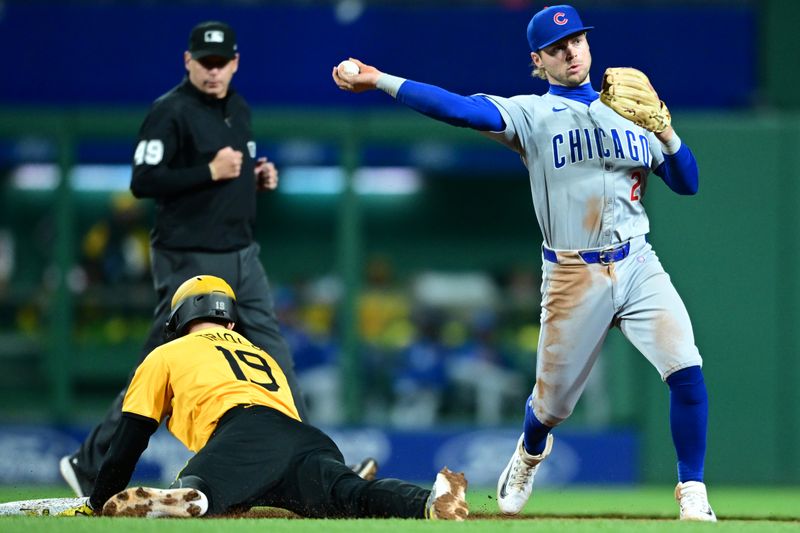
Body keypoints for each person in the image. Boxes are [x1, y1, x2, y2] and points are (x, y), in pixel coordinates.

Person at [332, 4, 715, 522]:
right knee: (551, 406)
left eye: (576, 40)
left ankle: (692, 489)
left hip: (638, 260)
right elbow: (459, 109)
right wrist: (381, 79)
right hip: (573, 272)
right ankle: (531, 450)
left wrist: (667, 132)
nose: (570, 51)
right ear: (540, 59)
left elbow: (688, 183)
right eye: (557, 48)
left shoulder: (628, 112)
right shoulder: (532, 115)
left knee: (686, 368)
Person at [60, 20, 376, 497]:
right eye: (204, 62)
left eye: (220, 62)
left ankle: (322, 463)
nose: (212, 71)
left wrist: (254, 178)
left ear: (235, 63)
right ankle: (91, 462)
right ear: (188, 62)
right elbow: (143, 180)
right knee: (162, 362)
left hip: (241, 251)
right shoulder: (170, 111)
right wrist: (208, 170)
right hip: (188, 253)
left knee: (278, 357)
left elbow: (229, 174)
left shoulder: (238, 108)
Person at [57, 275, 469, 520]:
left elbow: (130, 437)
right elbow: (278, 434)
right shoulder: (259, 354)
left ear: (179, 318)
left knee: (202, 493)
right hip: (302, 438)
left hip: (240, 433)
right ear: (230, 317)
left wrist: (98, 499)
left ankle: (186, 494)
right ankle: (431, 500)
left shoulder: (167, 353)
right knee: (352, 497)